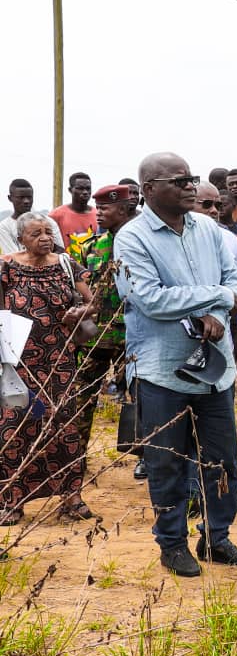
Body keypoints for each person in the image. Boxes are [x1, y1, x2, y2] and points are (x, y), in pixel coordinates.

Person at [115, 152, 237, 578]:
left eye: (191, 178)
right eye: (178, 180)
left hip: (213, 371)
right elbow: (150, 300)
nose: (190, 186)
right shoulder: (133, 238)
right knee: (166, 461)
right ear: (149, 190)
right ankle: (172, 544)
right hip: (162, 370)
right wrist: (215, 296)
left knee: (222, 459)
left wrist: (217, 312)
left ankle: (217, 537)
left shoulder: (209, 229)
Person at [0, 212, 94, 525]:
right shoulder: (7, 266)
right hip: (18, 364)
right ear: (21, 238)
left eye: (47, 231)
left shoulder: (66, 264)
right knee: (15, 428)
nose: (44, 238)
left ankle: (72, 497)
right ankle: (11, 500)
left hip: (60, 361)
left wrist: (80, 310)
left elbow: (93, 302)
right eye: (36, 233)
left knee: (64, 425)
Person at [192, 182, 237, 514]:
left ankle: (227, 493)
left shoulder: (229, 240)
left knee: (223, 429)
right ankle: (191, 495)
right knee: (184, 429)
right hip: (178, 352)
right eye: (206, 204)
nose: (214, 211)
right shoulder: (173, 243)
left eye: (218, 205)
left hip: (221, 348)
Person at [72, 185, 133, 464]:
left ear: (123, 209)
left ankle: (144, 456)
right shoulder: (93, 246)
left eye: (105, 209)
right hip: (96, 338)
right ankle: (76, 458)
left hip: (133, 338)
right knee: (81, 399)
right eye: (97, 208)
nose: (98, 214)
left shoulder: (140, 243)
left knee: (141, 400)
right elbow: (80, 286)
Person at [0, 179, 64, 253]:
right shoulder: (4, 227)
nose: (26, 201)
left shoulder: (48, 221)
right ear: (10, 198)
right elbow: (13, 257)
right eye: (21, 197)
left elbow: (60, 250)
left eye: (29, 197)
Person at [50, 172, 98, 248]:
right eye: (80, 188)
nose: (85, 192)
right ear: (70, 190)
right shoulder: (56, 215)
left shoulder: (98, 215)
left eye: (88, 189)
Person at [217, 186, 237, 256]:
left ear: (234, 206)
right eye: (218, 205)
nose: (220, 208)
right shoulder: (213, 228)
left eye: (224, 205)